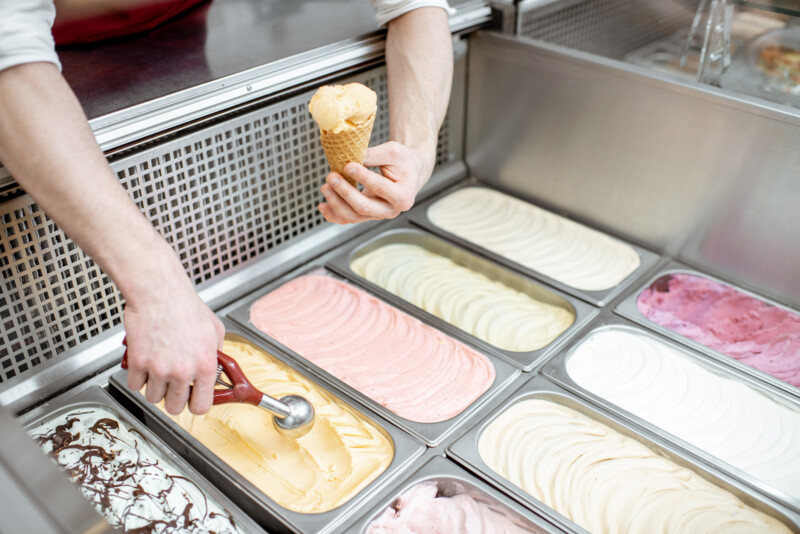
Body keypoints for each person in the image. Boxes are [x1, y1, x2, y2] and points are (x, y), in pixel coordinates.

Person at [0, 0, 453, 416]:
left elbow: (417, 4)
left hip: (180, 58)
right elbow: (8, 50)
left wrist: (416, 152)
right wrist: (156, 287)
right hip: (36, 116)